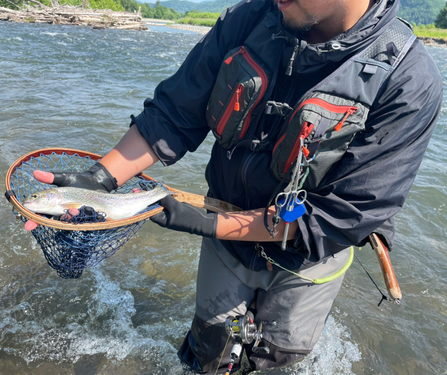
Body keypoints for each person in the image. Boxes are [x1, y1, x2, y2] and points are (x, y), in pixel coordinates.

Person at [30, 0, 443, 373]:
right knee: (209, 350)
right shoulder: (248, 20)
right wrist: (101, 179)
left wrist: (209, 224)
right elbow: (173, 113)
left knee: (277, 358)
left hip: (309, 256)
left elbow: (339, 216)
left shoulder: (409, 79)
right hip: (226, 242)